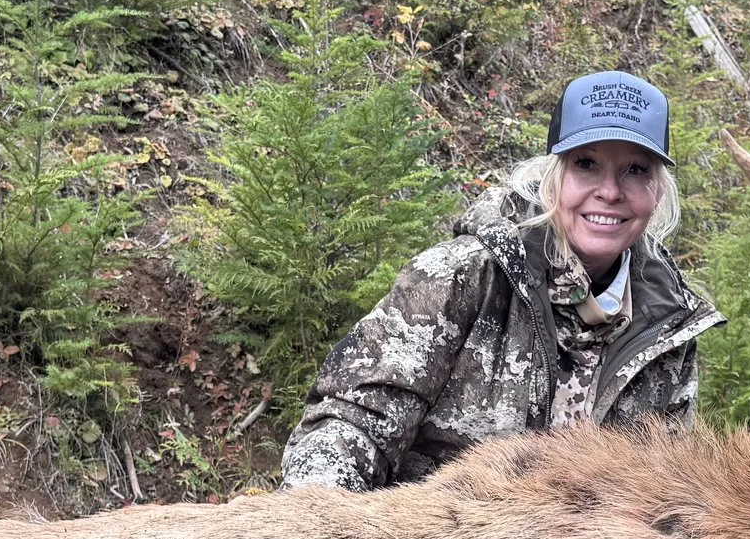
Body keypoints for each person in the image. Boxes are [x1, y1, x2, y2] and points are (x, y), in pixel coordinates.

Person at [282, 71, 721, 491]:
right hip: (434, 537)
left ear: (658, 192)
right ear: (552, 178)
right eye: (586, 164)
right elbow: (350, 426)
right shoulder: (462, 277)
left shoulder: (668, 326)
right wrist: (318, 526)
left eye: (636, 170)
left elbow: (661, 486)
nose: (610, 191)